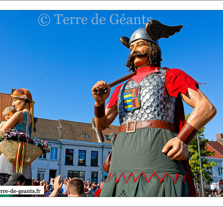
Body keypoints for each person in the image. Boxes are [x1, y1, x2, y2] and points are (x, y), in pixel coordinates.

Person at [92, 20, 216, 197]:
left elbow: (206, 107)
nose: (134, 49)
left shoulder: (171, 75)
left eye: (140, 44)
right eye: (131, 46)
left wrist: (182, 139)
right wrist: (99, 103)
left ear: (153, 48)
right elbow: (102, 124)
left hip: (157, 149)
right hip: (122, 152)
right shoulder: (120, 88)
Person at [0, 88, 35, 186]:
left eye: (15, 100)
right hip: (23, 156)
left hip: (10, 154)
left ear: (24, 101)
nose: (13, 104)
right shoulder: (30, 118)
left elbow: (1, 131)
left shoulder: (19, 114)